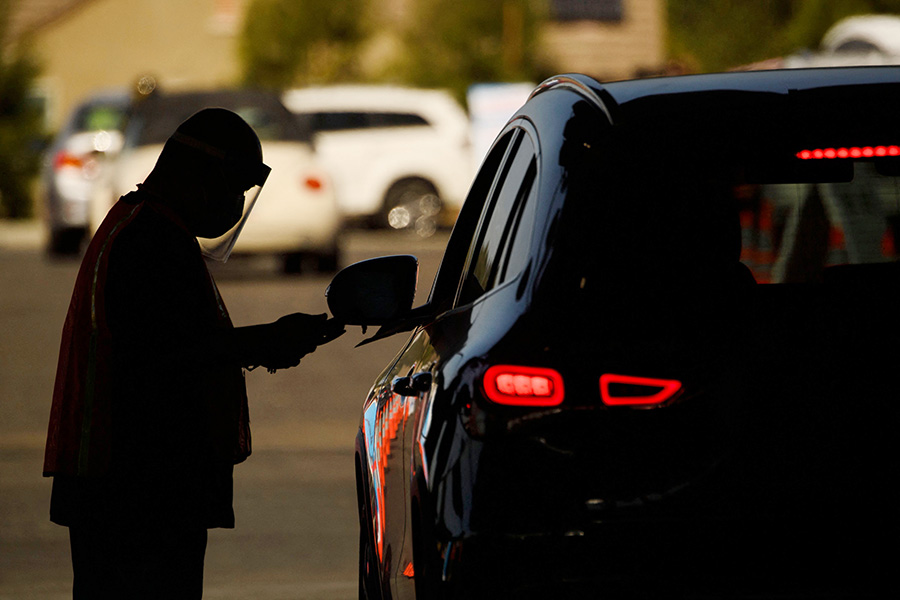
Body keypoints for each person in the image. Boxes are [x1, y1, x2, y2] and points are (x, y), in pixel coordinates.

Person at [42, 108, 344, 599]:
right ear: (203, 176)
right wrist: (268, 339)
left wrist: (268, 340)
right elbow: (172, 355)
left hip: (125, 481)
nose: (234, 206)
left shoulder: (141, 223)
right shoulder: (152, 239)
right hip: (138, 488)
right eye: (233, 189)